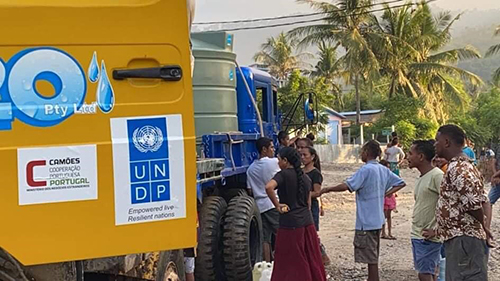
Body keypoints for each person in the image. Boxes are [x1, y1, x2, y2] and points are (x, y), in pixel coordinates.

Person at [320, 140, 406, 281]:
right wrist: (386, 193)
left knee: (371, 260)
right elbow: (401, 182)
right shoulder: (383, 169)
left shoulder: (365, 170)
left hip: (366, 221)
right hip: (378, 220)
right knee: (373, 257)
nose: (361, 154)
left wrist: (327, 189)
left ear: (366, 152)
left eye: (362, 151)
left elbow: (348, 185)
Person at [424, 125, 491, 281]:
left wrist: (483, 225)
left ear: (446, 142)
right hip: (459, 239)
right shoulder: (459, 166)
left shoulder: (459, 169)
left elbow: (473, 204)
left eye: (437, 141)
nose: (435, 145)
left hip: (464, 239)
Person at [265, 147, 326, 281]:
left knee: (291, 261)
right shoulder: (305, 177)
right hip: (307, 224)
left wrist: (277, 205)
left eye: (279, 160)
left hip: (290, 225)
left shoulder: (283, 174)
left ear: (285, 161)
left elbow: (269, 187)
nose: (278, 163)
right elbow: (308, 204)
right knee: (310, 257)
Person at [407, 140, 444, 281]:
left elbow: (450, 203)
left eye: (411, 153)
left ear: (421, 157)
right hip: (418, 235)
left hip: (428, 238)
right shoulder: (422, 177)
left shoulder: (437, 176)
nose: (408, 157)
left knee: (425, 274)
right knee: (429, 272)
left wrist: (437, 230)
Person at [246, 137, 281, 262]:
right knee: (282, 233)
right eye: (271, 147)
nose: (273, 150)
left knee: (265, 239)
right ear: (264, 149)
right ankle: (284, 261)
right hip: (273, 203)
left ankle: (268, 264)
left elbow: (250, 190)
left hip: (260, 207)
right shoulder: (274, 163)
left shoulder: (250, 169)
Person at [301, 146, 331, 265]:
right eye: (301, 155)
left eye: (305, 155)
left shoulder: (315, 173)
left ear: (312, 157)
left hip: (311, 206)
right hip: (302, 205)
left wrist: (304, 194)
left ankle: (320, 256)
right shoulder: (301, 171)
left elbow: (317, 192)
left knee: (311, 233)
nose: (302, 158)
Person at [379, 160, 397, 240]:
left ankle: (389, 232)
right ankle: (383, 232)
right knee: (384, 215)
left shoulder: (389, 175)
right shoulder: (380, 176)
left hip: (389, 196)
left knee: (388, 215)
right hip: (384, 196)